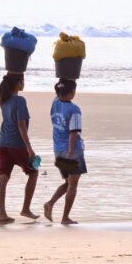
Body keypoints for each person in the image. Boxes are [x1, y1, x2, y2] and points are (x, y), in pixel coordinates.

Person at [0, 72, 39, 225]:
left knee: (3, 176)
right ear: (18, 84)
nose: (24, 83)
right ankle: (25, 208)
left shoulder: (4, 100)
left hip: (2, 144)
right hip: (17, 145)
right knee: (33, 173)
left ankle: (2, 214)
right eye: (23, 81)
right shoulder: (20, 101)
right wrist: (30, 149)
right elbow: (21, 125)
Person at [43, 78, 85, 225]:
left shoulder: (55, 104)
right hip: (71, 151)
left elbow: (58, 91)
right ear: (72, 93)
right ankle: (65, 217)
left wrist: (63, 79)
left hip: (58, 150)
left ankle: (50, 204)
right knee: (73, 185)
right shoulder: (74, 109)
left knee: (68, 183)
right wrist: (72, 153)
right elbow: (73, 133)